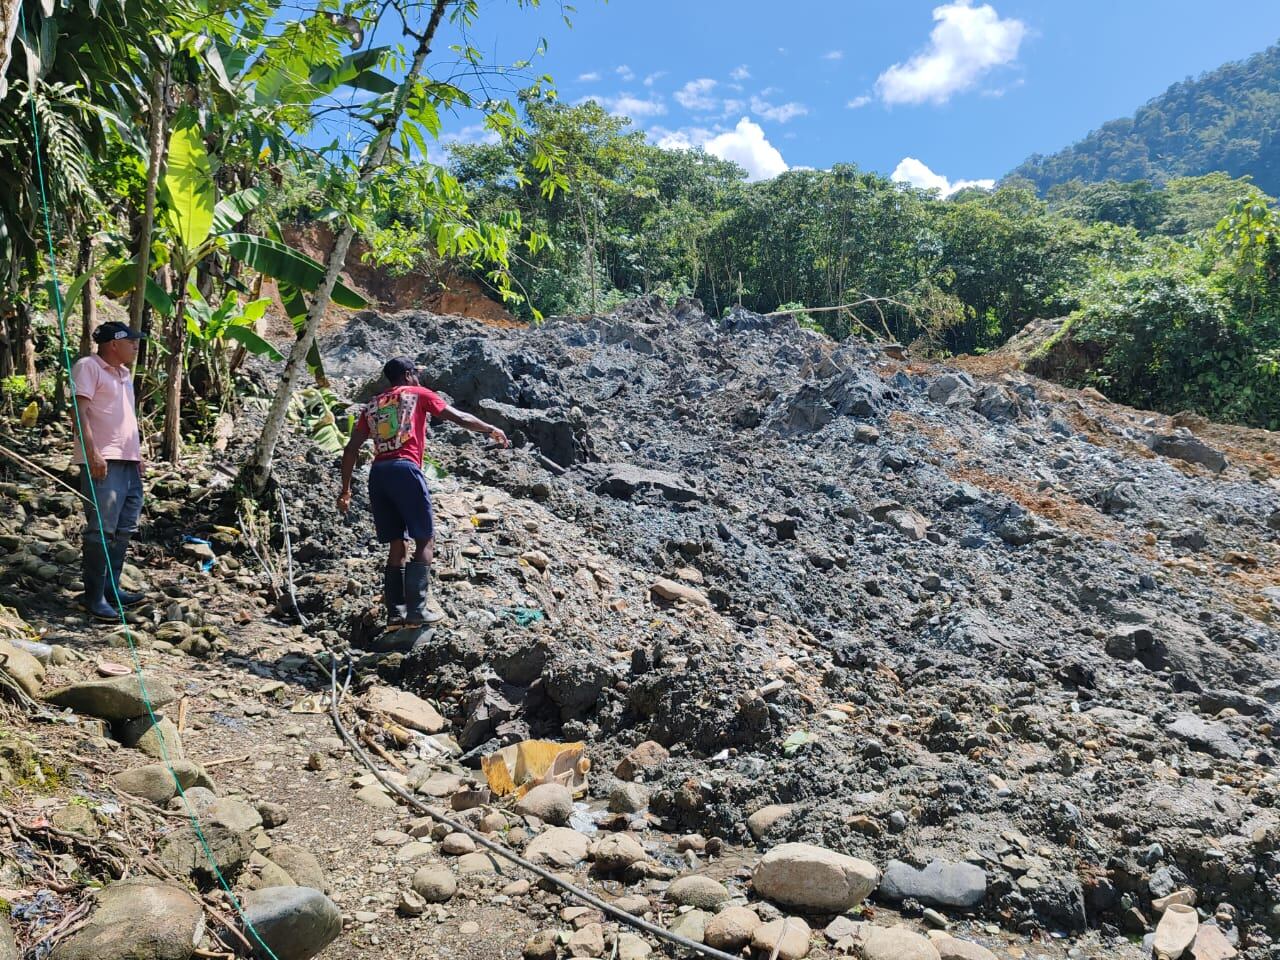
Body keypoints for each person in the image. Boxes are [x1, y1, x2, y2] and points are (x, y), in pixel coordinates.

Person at [338, 357, 509, 627]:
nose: (419, 378)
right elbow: (460, 418)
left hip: (378, 474)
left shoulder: (373, 404)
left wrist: (345, 490)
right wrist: (490, 428)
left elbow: (351, 449)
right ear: (407, 375)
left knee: (397, 543)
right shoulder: (418, 394)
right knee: (424, 540)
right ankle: (417, 611)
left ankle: (395, 614)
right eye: (416, 373)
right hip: (405, 470)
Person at [71, 321, 148, 620]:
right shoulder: (88, 366)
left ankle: (111, 589)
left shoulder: (124, 374)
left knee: (124, 528)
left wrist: (137, 455)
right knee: (101, 530)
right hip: (104, 459)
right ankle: (93, 596)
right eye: (131, 341)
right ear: (114, 344)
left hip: (128, 461)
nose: (135, 345)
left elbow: (125, 418)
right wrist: (92, 453)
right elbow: (79, 412)